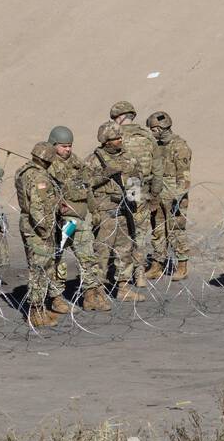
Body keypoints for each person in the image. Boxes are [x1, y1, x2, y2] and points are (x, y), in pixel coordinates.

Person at [47, 126, 108, 312]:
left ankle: (90, 295)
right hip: (64, 222)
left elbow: (87, 188)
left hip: (79, 220)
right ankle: (56, 297)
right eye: (64, 146)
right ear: (54, 145)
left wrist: (94, 209)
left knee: (87, 257)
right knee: (59, 260)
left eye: (70, 146)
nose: (68, 149)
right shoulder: (48, 166)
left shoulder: (76, 163)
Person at [83, 122, 146, 302]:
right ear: (106, 141)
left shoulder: (128, 157)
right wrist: (103, 176)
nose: (119, 141)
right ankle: (98, 289)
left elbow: (137, 176)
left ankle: (123, 287)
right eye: (115, 139)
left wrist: (134, 199)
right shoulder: (94, 159)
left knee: (124, 250)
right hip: (105, 211)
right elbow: (84, 183)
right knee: (102, 252)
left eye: (120, 138)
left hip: (125, 209)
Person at [108, 101, 163, 277]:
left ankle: (121, 273)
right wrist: (155, 194)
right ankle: (139, 275)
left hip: (122, 189)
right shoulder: (148, 136)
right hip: (143, 188)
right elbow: (157, 169)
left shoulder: (115, 137)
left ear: (120, 117)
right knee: (140, 233)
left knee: (122, 233)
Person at [15, 141, 61, 328]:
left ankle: (40, 308)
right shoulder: (39, 176)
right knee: (40, 270)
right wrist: (46, 229)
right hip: (38, 228)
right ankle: (36, 312)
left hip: (27, 224)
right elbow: (37, 207)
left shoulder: (23, 171)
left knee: (41, 268)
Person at [146, 111, 192, 282]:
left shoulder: (179, 146)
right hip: (158, 192)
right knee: (158, 229)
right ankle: (157, 265)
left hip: (174, 193)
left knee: (175, 230)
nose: (152, 132)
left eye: (153, 129)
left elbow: (184, 177)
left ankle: (182, 265)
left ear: (160, 128)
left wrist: (177, 197)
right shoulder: (156, 145)